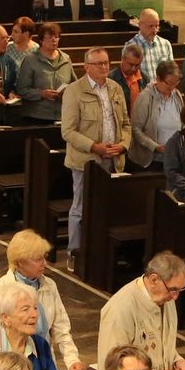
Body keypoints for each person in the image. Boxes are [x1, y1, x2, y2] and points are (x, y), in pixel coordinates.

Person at [0, 229, 85, 370]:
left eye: (44, 257)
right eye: (38, 259)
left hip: (46, 363)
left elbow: (61, 327)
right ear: (19, 262)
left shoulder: (49, 285)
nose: (44, 263)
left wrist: (72, 359)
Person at [60, 47, 130, 255]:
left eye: (107, 62)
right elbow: (68, 131)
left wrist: (123, 145)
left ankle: (100, 251)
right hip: (86, 161)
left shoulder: (115, 88)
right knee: (80, 208)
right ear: (86, 67)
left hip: (114, 158)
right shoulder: (75, 90)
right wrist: (94, 146)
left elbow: (126, 123)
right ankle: (75, 251)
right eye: (99, 63)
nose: (104, 67)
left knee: (108, 206)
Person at [16, 20, 74, 123]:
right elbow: (22, 90)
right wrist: (42, 93)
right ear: (41, 40)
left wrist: (67, 92)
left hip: (62, 115)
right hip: (37, 115)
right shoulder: (31, 60)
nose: (54, 40)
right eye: (50, 37)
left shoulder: (66, 59)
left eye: (56, 37)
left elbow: (74, 84)